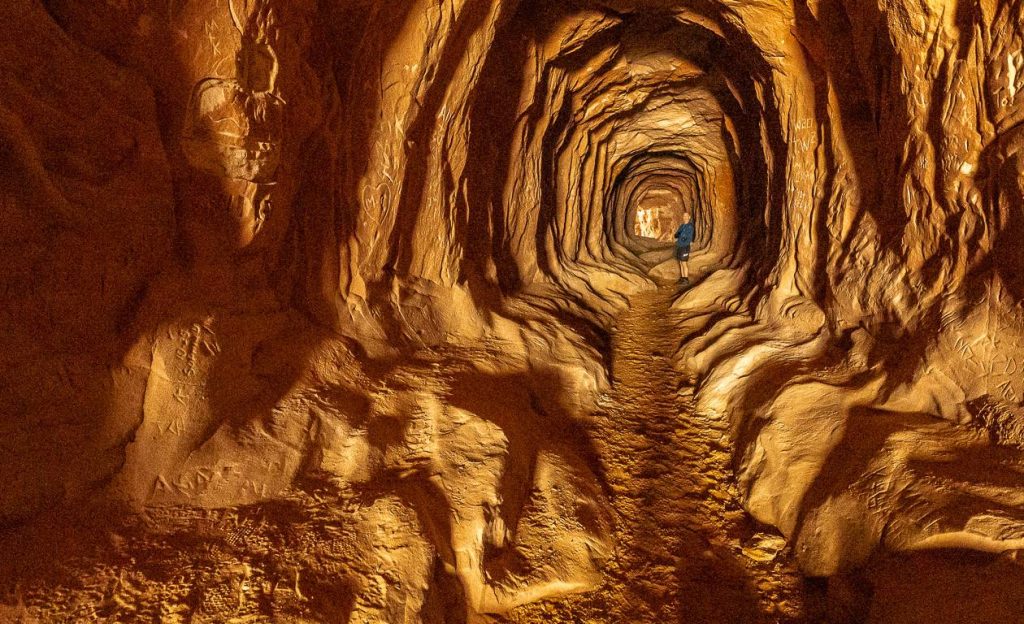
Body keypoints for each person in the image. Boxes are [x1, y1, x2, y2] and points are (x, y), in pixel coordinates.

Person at [674, 212, 695, 284]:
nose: (685, 217)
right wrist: (678, 236)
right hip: (679, 246)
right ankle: (682, 278)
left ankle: (686, 279)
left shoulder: (690, 227)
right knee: (680, 262)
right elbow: (676, 234)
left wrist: (681, 239)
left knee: (684, 263)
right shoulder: (682, 226)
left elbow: (689, 238)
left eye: (686, 216)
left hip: (685, 247)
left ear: (689, 217)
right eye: (684, 216)